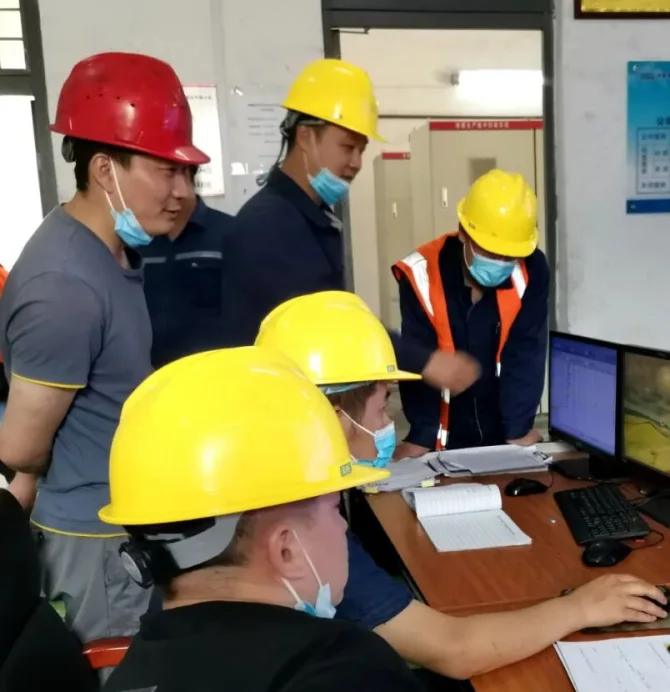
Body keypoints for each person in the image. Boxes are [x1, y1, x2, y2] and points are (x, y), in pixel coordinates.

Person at [256, 291, 669, 692]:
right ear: (334, 418)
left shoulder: (272, 497)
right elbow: (454, 648)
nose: (387, 423)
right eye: (381, 406)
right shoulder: (309, 530)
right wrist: (581, 606)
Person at [61, 346, 449, 692]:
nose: (341, 526)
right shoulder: (340, 672)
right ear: (286, 548)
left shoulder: (129, 687)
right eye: (336, 508)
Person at [0, 52, 208, 642]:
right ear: (104, 169)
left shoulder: (112, 252)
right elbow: (20, 446)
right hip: (96, 548)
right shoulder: (64, 286)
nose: (182, 192)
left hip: (124, 525)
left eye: (187, 174)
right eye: (166, 171)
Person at [221, 57, 479, 395]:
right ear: (305, 137)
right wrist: (425, 361)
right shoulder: (272, 225)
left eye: (361, 149)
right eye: (347, 147)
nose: (356, 162)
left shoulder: (308, 217)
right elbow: (326, 328)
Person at [393, 169, 549, 458]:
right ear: (463, 232)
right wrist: (422, 435)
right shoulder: (421, 273)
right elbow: (420, 355)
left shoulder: (532, 268)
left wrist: (517, 430)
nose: (500, 262)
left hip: (502, 430)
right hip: (444, 437)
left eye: (509, 255)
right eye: (490, 251)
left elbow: (526, 352)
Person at [138, 165, 233, 367]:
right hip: (150, 376)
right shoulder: (137, 239)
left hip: (215, 373)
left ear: (186, 177)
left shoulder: (230, 233)